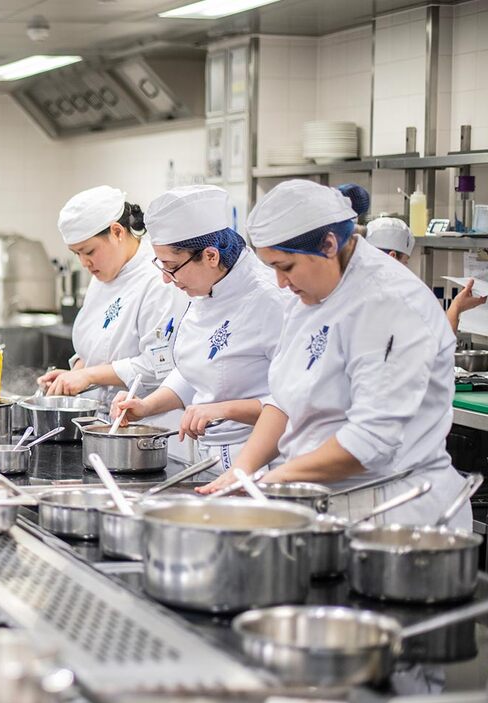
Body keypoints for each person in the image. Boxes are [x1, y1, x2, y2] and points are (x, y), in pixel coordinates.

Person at [198, 180, 472, 529]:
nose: (281, 282)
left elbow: (371, 441)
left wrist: (274, 480)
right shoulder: (309, 294)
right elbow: (284, 401)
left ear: (329, 244)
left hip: (394, 512)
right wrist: (243, 469)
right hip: (326, 501)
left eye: (286, 267)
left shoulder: (388, 303)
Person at [109, 186, 292, 474]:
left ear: (210, 256)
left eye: (171, 267)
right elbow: (196, 370)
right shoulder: (206, 287)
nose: (167, 279)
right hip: (210, 459)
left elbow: (294, 399)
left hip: (263, 463)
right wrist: (146, 406)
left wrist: (223, 409)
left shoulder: (272, 300)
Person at [37, 186, 187, 405]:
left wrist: (89, 376)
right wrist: (74, 375)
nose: (84, 263)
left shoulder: (158, 280)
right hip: (97, 416)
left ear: (117, 232)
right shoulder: (102, 274)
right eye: (76, 253)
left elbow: (160, 365)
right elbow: (95, 348)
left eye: (89, 251)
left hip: (144, 420)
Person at [365, 216, 488, 333]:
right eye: (405, 262)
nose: (406, 269)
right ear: (392, 258)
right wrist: (456, 307)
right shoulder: (392, 300)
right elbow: (437, 344)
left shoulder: (362, 290)